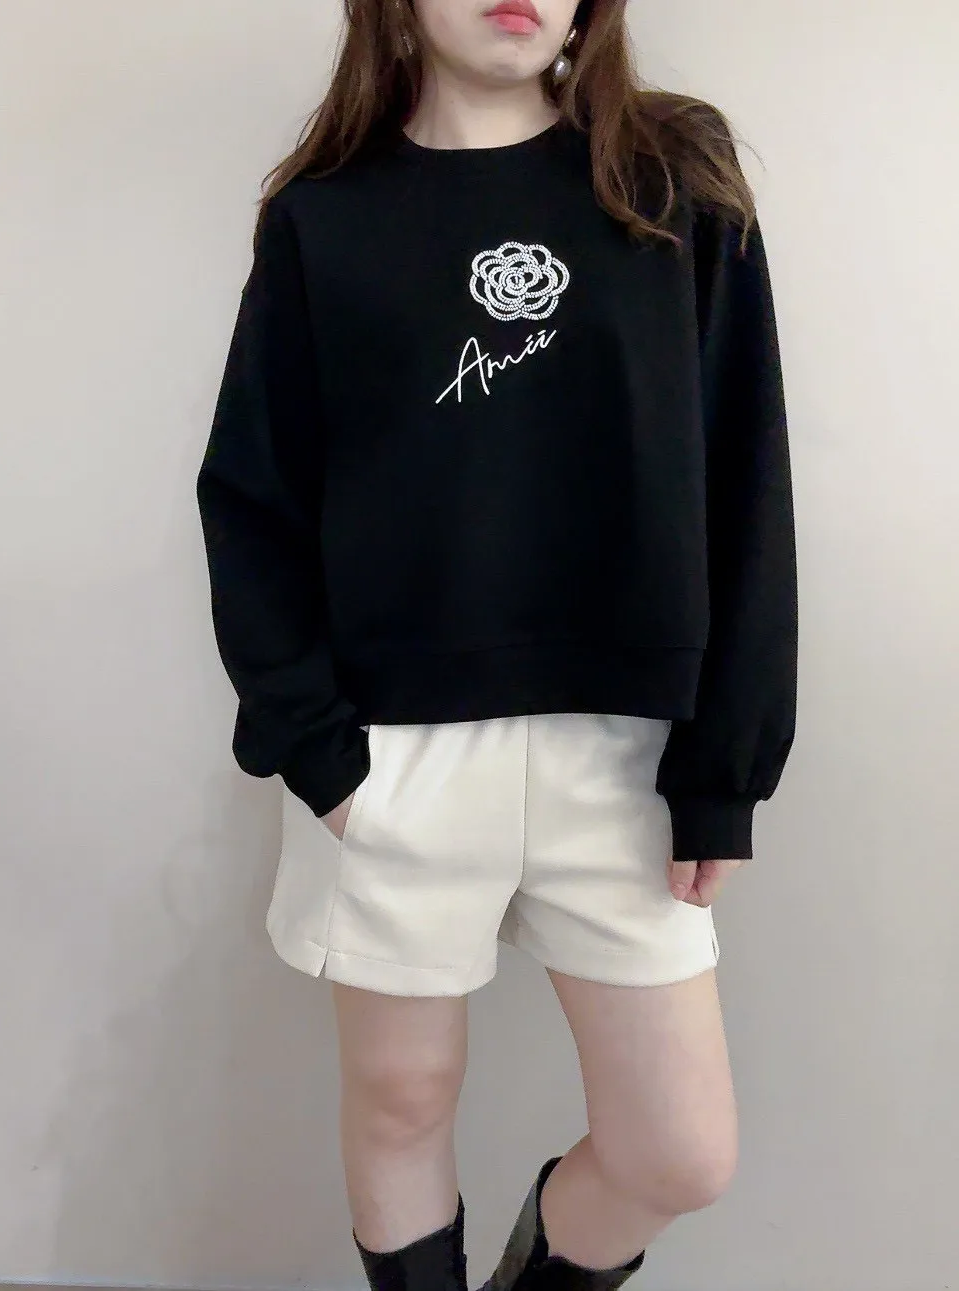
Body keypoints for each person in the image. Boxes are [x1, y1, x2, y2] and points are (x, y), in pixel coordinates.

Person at [197, 0, 797, 1287]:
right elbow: (254, 495)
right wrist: (321, 753)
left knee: (676, 1150)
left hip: (628, 753)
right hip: (386, 749)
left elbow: (746, 477)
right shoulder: (323, 216)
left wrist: (725, 766)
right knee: (403, 1100)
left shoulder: (672, 181)